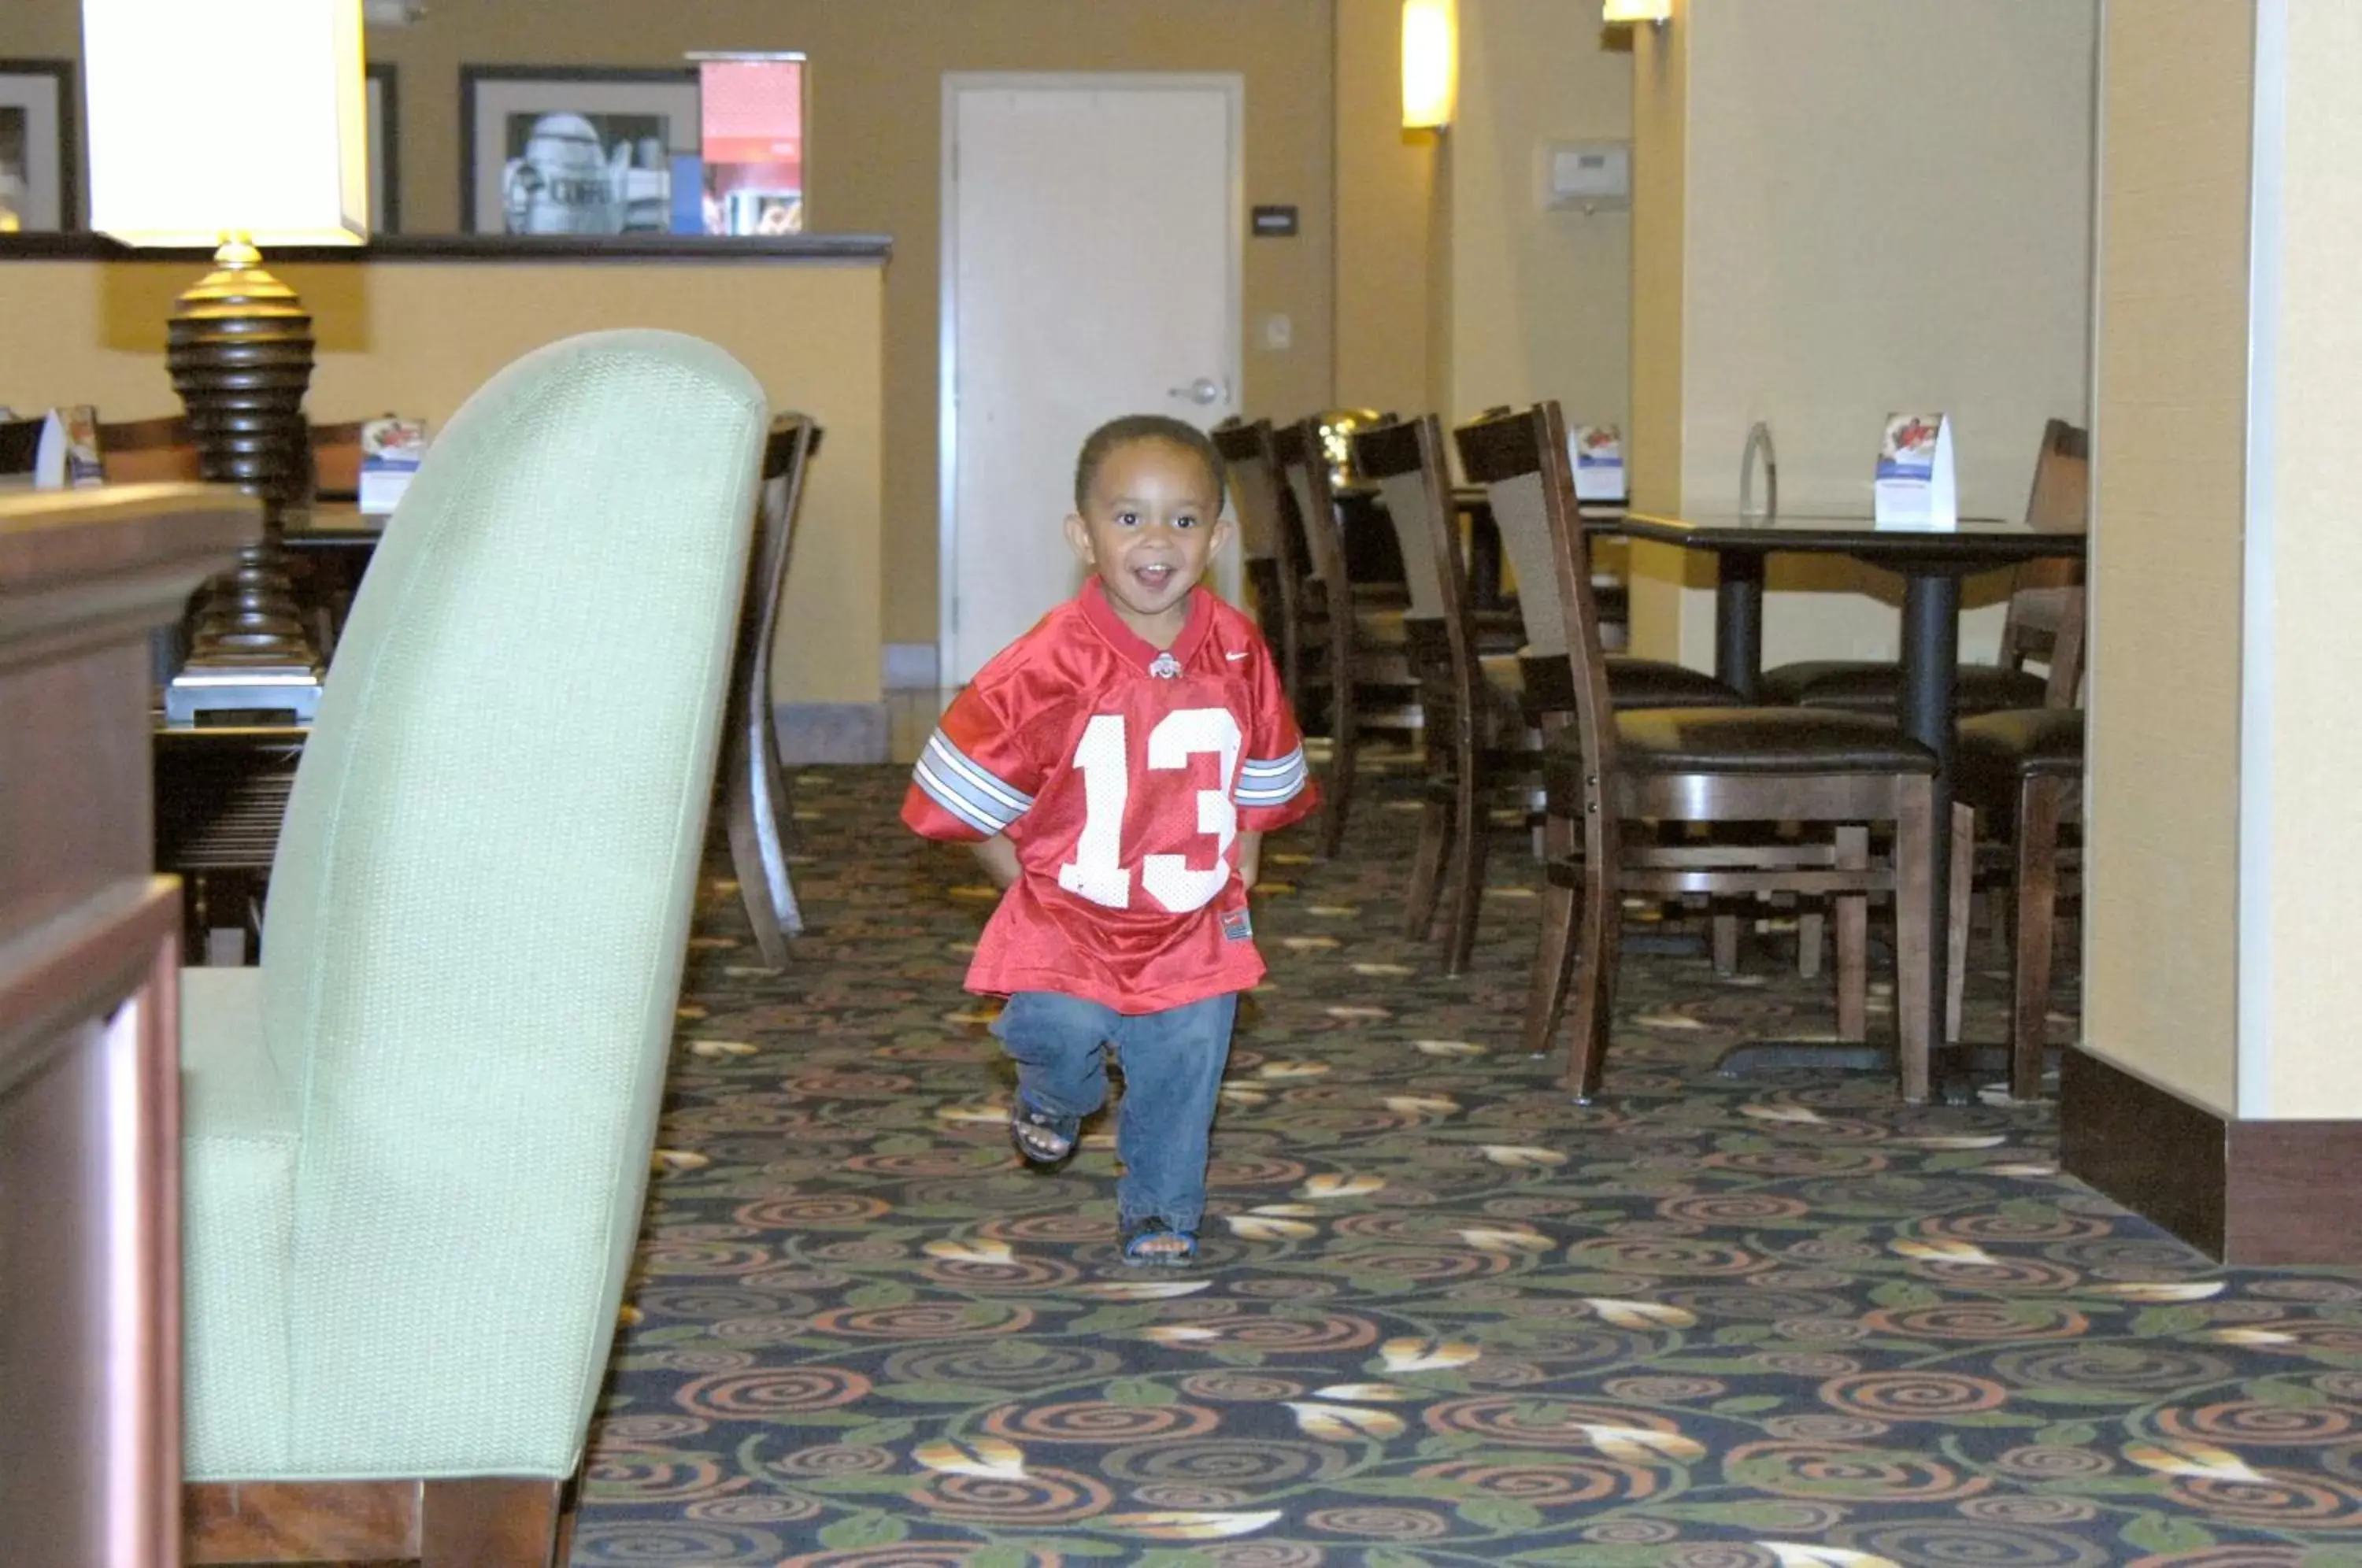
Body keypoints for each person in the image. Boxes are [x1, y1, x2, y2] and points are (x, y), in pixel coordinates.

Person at [901, 414, 1316, 1267]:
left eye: (1185, 519)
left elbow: (1254, 785)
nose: (1157, 540)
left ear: (1219, 538)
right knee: (1054, 1029)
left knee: (1185, 1070)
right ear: (1082, 535)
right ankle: (1056, 1097)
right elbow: (957, 799)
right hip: (1070, 916)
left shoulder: (1240, 651)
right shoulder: (1046, 663)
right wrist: (1027, 886)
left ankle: (1161, 1215)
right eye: (1129, 518)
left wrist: (1238, 885)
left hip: (1190, 920)